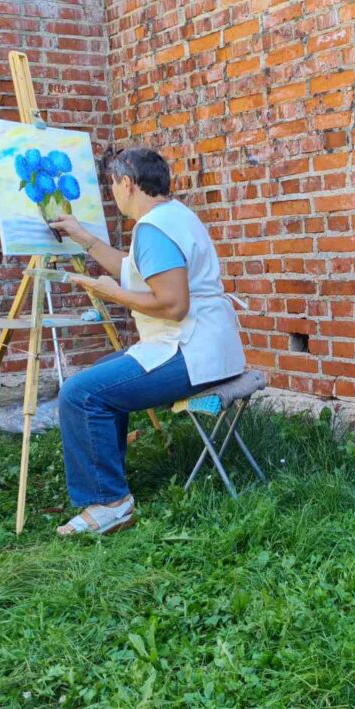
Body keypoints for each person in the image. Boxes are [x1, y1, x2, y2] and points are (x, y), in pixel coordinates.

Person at [48, 147, 245, 535]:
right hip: (207, 347)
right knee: (100, 379)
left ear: (127, 183)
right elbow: (135, 269)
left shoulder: (154, 228)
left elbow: (172, 305)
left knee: (81, 394)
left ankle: (110, 504)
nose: (113, 195)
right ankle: (108, 485)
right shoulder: (174, 217)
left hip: (189, 351)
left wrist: (111, 293)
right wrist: (85, 238)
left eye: (113, 186)